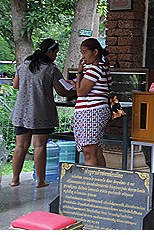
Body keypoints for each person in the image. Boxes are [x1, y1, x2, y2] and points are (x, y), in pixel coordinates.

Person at [10, 38, 75, 188]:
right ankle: (40, 181)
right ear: (50, 51)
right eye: (56, 53)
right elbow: (62, 91)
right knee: (39, 146)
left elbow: (15, 85)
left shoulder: (23, 66)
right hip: (41, 111)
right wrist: (75, 88)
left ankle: (14, 179)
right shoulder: (51, 69)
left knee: (20, 146)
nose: (56, 56)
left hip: (21, 111)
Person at [73, 38, 111, 167]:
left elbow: (80, 92)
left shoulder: (94, 70)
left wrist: (79, 73)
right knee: (96, 151)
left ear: (95, 52)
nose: (83, 57)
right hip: (97, 111)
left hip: (90, 113)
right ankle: (101, 181)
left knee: (89, 152)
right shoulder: (103, 68)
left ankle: (91, 183)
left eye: (85, 52)